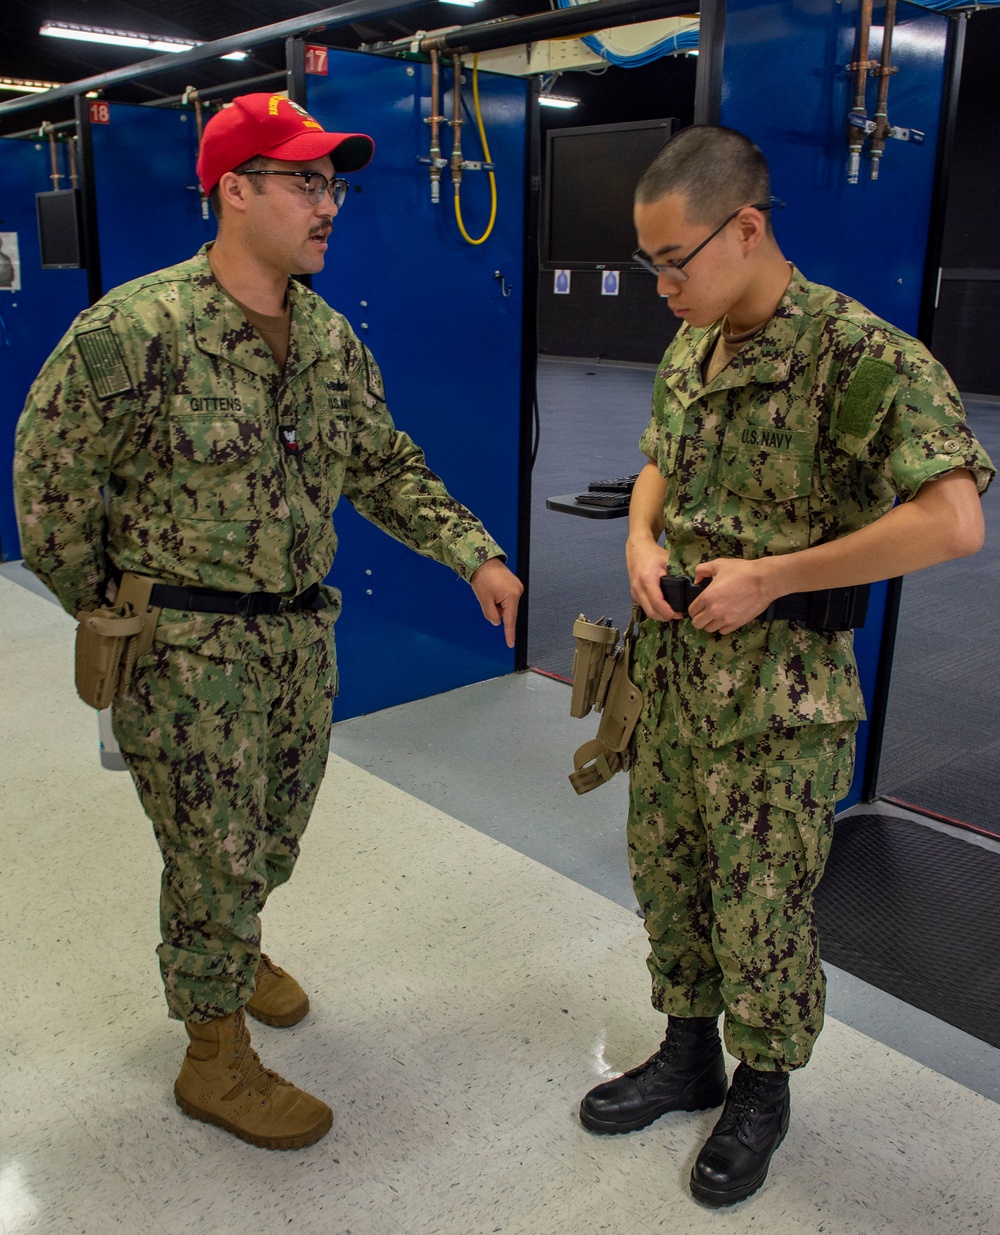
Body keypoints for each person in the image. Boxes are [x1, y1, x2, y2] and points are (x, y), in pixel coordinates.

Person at [13, 92, 523, 1153]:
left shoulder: (327, 338)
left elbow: (380, 461)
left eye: (332, 183)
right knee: (211, 854)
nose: (327, 203)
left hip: (296, 641)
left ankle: (237, 948)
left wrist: (472, 549)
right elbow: (50, 485)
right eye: (304, 181)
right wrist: (113, 613)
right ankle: (213, 1052)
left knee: (269, 838)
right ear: (234, 190)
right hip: (187, 654)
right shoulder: (134, 330)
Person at [577, 125, 994, 1206]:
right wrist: (636, 540)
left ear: (746, 228)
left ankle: (761, 1089)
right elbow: (656, 461)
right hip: (670, 679)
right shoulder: (693, 340)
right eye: (647, 262)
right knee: (670, 876)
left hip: (779, 700)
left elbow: (952, 522)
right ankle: (687, 1052)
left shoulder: (860, 359)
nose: (660, 284)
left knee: (763, 904)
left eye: (674, 260)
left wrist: (777, 573)